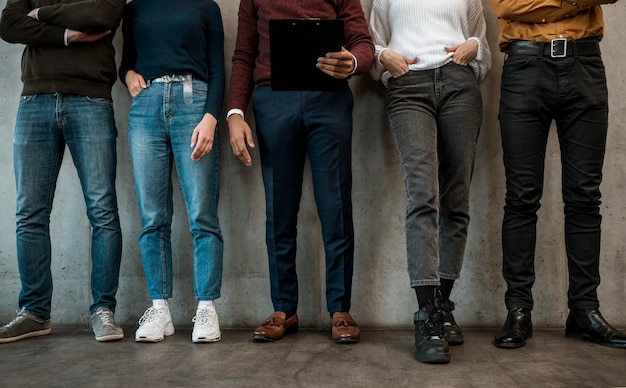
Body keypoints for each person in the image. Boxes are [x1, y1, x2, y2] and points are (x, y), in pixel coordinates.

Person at [227, 0, 374, 343]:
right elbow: (244, 53)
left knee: (335, 207)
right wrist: (235, 112)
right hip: (273, 100)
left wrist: (351, 62)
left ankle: (339, 309)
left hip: (330, 100)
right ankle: (284, 309)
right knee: (279, 210)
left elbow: (363, 45)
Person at [488, 0, 626, 349]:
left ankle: (584, 310)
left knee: (584, 195)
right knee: (521, 196)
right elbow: (506, 6)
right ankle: (518, 308)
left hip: (585, 64)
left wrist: (543, 6)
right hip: (524, 66)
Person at [369, 0, 491, 363]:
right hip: (409, 87)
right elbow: (372, 43)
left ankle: (442, 305)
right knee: (423, 195)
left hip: (459, 84)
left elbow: (481, 45)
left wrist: (476, 47)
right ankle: (427, 317)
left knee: (457, 201)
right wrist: (384, 57)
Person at [0, 0, 125, 343]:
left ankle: (103, 309)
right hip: (34, 100)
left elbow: (103, 14)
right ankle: (35, 312)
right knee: (29, 213)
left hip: (91, 100)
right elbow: (9, 24)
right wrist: (69, 34)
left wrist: (40, 15)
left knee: (102, 211)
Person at [119, 0, 225, 343]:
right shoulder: (135, 9)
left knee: (202, 214)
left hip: (194, 101)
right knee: (152, 216)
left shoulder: (206, 6)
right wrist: (128, 75)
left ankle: (206, 307)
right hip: (146, 106)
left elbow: (219, 69)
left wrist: (210, 117)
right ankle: (160, 309)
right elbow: (126, 63)